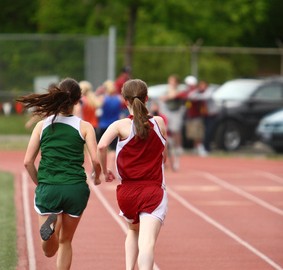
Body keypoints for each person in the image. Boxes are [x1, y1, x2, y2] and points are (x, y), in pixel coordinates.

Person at [16, 78, 101, 270]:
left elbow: (27, 161)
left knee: (48, 250)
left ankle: (50, 231)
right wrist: (99, 175)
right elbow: (95, 160)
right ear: (78, 101)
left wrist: (40, 183)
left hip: (49, 187)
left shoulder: (42, 126)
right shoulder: (85, 127)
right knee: (66, 241)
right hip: (75, 189)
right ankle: (53, 233)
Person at [97, 79, 168, 270]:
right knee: (147, 244)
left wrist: (105, 171)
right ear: (146, 98)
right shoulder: (159, 122)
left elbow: (102, 146)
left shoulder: (119, 126)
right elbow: (164, 154)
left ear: (124, 100)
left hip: (127, 193)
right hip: (153, 191)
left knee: (132, 230)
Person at [96, 80, 124, 171]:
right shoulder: (119, 98)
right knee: (113, 149)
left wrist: (98, 92)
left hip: (103, 125)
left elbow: (95, 106)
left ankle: (97, 168)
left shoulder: (102, 98)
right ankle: (111, 168)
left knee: (100, 147)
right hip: (114, 126)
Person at [160, 74, 186, 161]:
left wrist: (168, 97)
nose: (171, 83)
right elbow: (162, 98)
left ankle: (178, 146)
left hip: (176, 112)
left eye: (172, 81)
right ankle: (167, 148)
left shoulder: (180, 90)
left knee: (176, 130)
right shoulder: (167, 90)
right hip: (168, 111)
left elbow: (176, 95)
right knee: (166, 129)